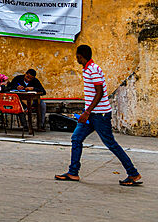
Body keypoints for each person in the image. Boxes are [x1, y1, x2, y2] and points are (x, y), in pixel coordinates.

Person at [56, 45, 142, 186]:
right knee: (76, 138)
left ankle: (133, 173)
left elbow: (100, 92)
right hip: (92, 114)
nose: (76, 59)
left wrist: (87, 112)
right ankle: (73, 172)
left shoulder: (93, 69)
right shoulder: (88, 69)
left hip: (99, 115)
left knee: (111, 144)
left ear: (80, 56)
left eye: (77, 56)